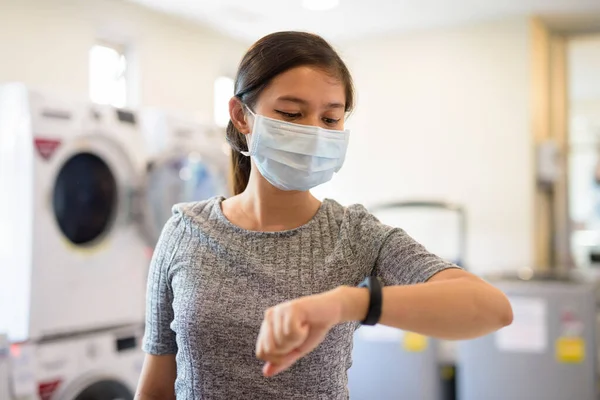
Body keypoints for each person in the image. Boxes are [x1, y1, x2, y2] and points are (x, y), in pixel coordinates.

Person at [135, 31, 513, 400]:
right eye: (292, 114)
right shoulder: (185, 231)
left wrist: (347, 303)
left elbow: (491, 309)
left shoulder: (354, 235)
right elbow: (155, 388)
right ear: (241, 116)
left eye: (330, 120)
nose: (314, 134)